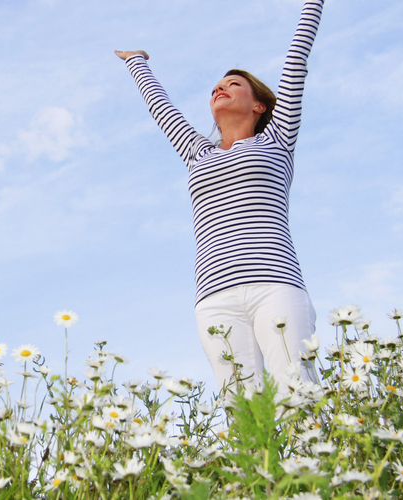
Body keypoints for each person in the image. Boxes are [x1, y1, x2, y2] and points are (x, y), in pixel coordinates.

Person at [115, 0, 324, 388]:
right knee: (242, 411)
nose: (219, 89)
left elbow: (297, 60)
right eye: (215, 87)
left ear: (259, 104)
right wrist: (136, 61)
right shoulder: (198, 153)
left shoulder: (278, 140)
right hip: (214, 295)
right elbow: (162, 109)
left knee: (299, 394)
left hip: (275, 284)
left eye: (233, 84)